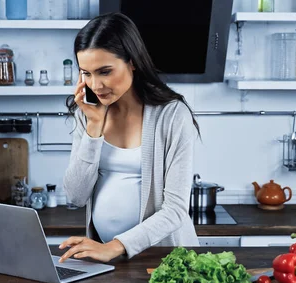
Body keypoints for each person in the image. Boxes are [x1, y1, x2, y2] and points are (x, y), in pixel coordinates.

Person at [59, 12, 201, 263]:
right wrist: (93, 128)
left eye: (105, 71)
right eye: (86, 73)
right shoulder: (88, 113)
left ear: (132, 61)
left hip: (164, 258)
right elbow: (76, 196)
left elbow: (176, 210)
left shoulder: (171, 114)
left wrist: (117, 245)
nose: (96, 85)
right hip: (106, 257)